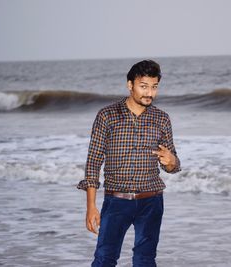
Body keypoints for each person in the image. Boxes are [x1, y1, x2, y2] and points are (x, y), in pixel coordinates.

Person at [77, 59, 181, 267]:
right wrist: (91, 206)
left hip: (151, 201)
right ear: (130, 84)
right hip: (116, 201)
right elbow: (93, 162)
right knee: (104, 259)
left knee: (145, 260)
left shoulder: (162, 119)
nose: (149, 93)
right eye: (144, 86)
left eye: (154, 87)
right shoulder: (107, 115)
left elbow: (172, 166)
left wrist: (172, 161)